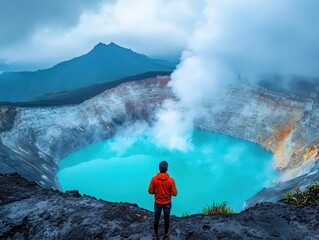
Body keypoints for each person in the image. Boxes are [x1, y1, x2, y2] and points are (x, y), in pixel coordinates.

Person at [148, 161, 178, 240]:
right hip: (167, 203)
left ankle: (155, 233)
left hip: (157, 202)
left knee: (156, 218)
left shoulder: (154, 179)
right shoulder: (171, 181)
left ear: (159, 169)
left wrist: (157, 191)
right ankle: (165, 234)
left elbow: (150, 191)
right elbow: (174, 193)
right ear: (167, 169)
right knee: (166, 219)